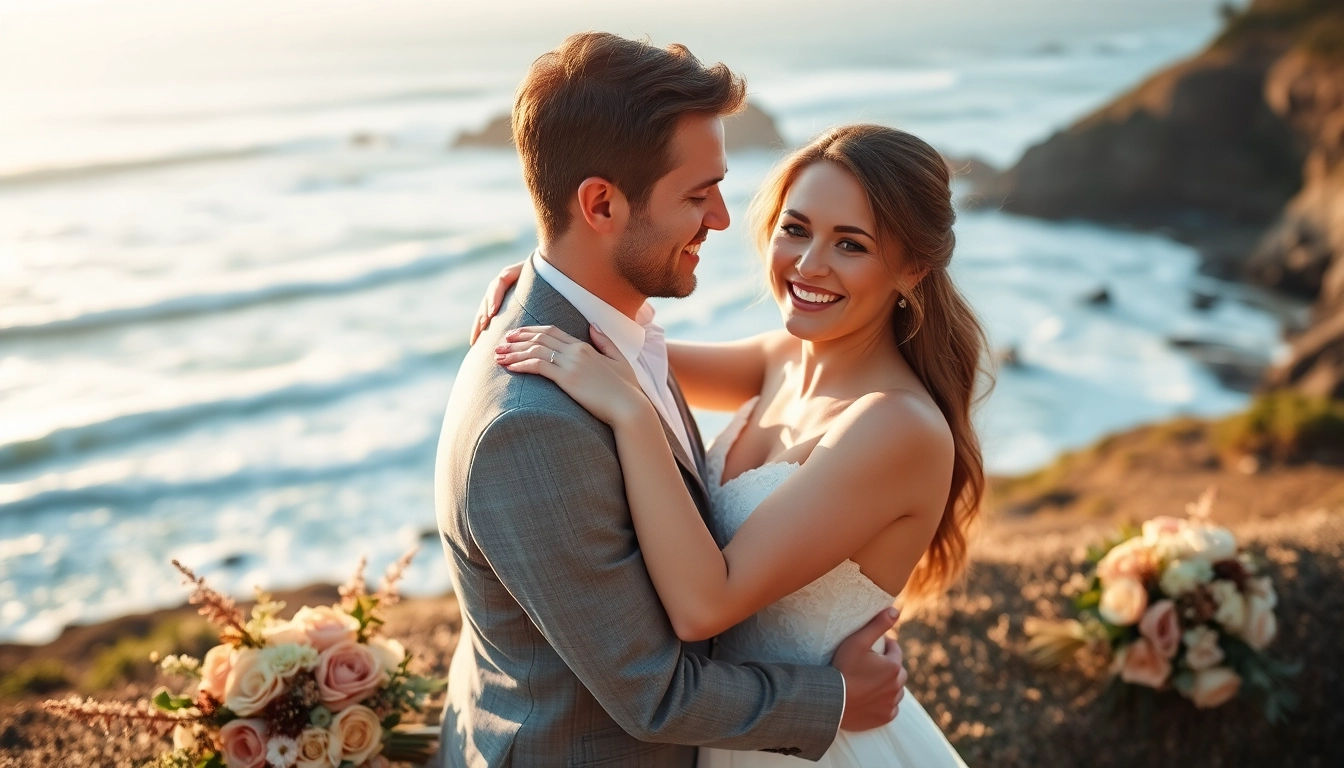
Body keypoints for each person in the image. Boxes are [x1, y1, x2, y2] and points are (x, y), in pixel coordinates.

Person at [434, 33, 908, 768]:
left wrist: (536, 280)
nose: (722, 219)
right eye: (697, 194)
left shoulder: (614, 345)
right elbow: (652, 695)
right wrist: (835, 699)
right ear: (600, 204)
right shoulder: (532, 424)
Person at [480, 123, 984, 766]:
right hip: (740, 732)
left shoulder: (895, 427)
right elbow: (623, 344)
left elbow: (703, 607)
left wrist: (633, 418)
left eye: (850, 245)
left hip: (817, 744)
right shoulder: (783, 358)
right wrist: (542, 289)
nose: (808, 265)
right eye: (795, 229)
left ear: (912, 267)